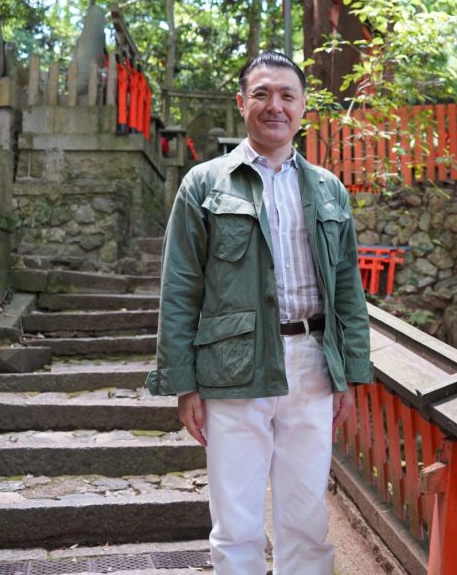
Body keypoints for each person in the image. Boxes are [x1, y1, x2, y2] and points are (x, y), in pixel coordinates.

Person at [147, 51, 373, 575]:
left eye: (287, 96)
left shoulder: (328, 190)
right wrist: (185, 385)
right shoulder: (205, 185)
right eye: (263, 94)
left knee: (306, 518)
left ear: (303, 106)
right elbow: (180, 289)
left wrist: (350, 376)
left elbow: (346, 290)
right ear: (242, 102)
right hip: (232, 369)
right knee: (237, 522)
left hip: (313, 366)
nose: (276, 106)